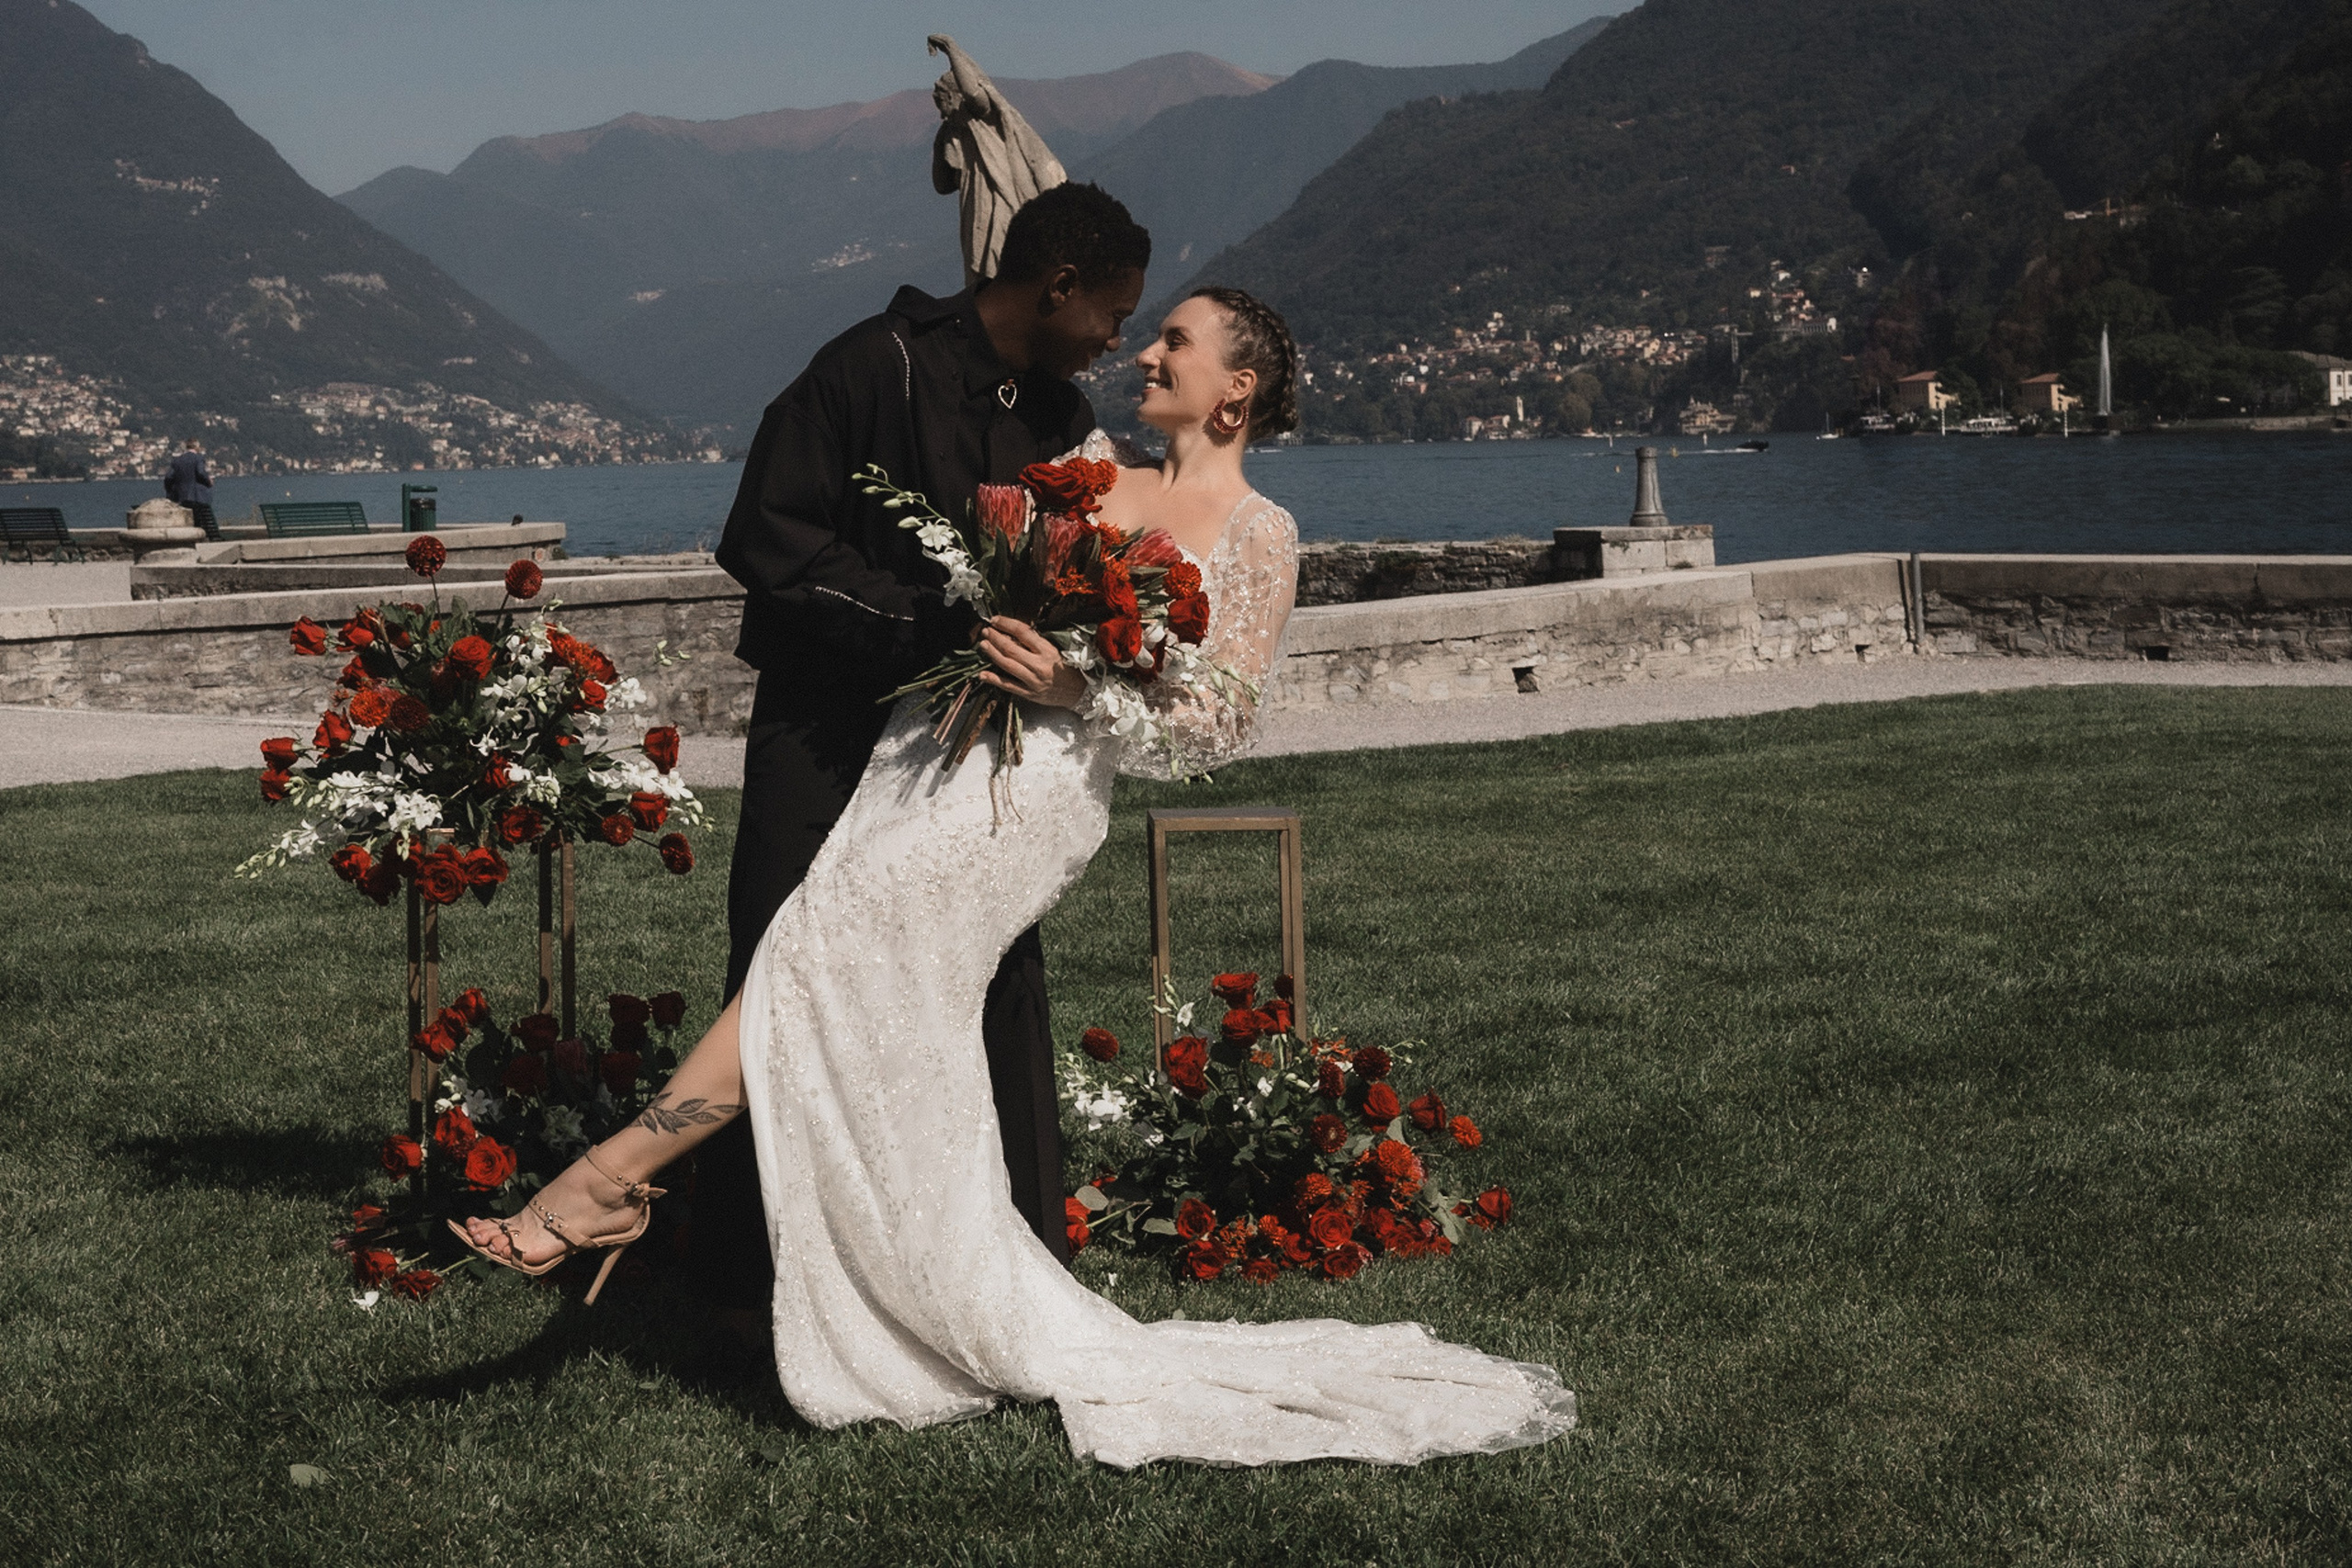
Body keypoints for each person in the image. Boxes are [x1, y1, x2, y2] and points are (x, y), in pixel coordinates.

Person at [458, 286, 1578, 1468]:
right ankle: (893, 1269)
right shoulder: (1085, 468)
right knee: (826, 972)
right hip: (926, 754)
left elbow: (1216, 724)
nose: (1148, 355)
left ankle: (602, 1186)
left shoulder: (1258, 532)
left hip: (1033, 795)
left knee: (818, 955)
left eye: (1177, 342)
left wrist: (1075, 684)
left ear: (1236, 390)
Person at [691, 184, 1149, 1356]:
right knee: (780, 966)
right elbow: (768, 537)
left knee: (991, 975)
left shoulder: (1060, 413)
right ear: (1056, 286)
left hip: (972, 748)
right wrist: (927, 626)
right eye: (1111, 311)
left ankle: (1011, 1271)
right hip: (825, 729)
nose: (1116, 338)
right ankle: (746, 1284)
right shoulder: (871, 365)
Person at [163, 444, 211, 509]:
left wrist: (169, 491)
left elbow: (168, 477)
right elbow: (201, 473)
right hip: (198, 498)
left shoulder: (176, 460)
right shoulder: (198, 458)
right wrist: (209, 482)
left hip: (180, 496)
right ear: (197, 447)